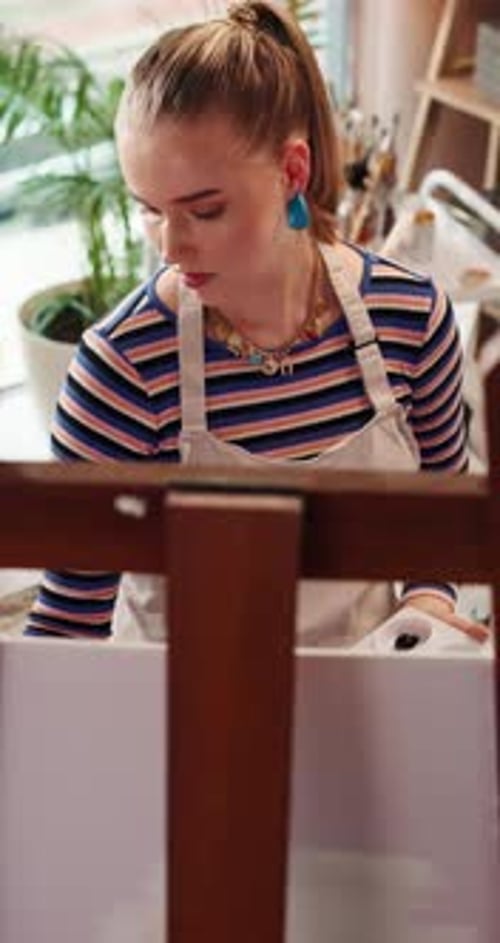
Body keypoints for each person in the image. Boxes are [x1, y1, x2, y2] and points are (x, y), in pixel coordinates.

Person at [25, 0, 488, 644]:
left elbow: (438, 526)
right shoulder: (123, 368)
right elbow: (67, 624)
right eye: (150, 210)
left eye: (204, 210)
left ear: (293, 172)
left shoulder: (411, 319)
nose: (170, 247)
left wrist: (429, 604)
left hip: (370, 697)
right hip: (175, 719)